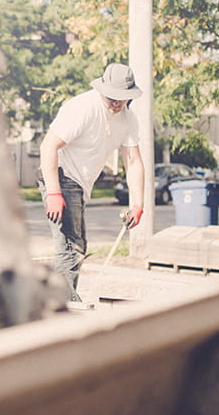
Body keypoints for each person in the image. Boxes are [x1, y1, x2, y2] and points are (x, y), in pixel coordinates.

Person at [38, 63, 146, 303]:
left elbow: (133, 161)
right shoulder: (82, 108)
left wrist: (138, 204)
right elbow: (48, 146)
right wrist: (54, 193)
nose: (117, 103)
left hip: (79, 184)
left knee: (77, 246)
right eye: (112, 97)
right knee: (70, 247)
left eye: (123, 98)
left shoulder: (128, 119)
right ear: (102, 90)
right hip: (62, 176)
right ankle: (63, 305)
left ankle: (60, 302)